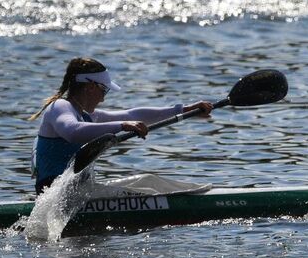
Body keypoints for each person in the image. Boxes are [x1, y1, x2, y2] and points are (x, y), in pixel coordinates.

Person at [27, 57, 215, 193]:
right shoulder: (60, 106)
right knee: (147, 189)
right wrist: (122, 126)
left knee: (148, 180)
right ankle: (200, 204)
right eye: (104, 90)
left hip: (78, 192)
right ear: (91, 86)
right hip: (58, 196)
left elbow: (133, 114)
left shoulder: (86, 116)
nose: (102, 98)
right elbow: (72, 132)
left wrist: (184, 110)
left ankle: (200, 194)